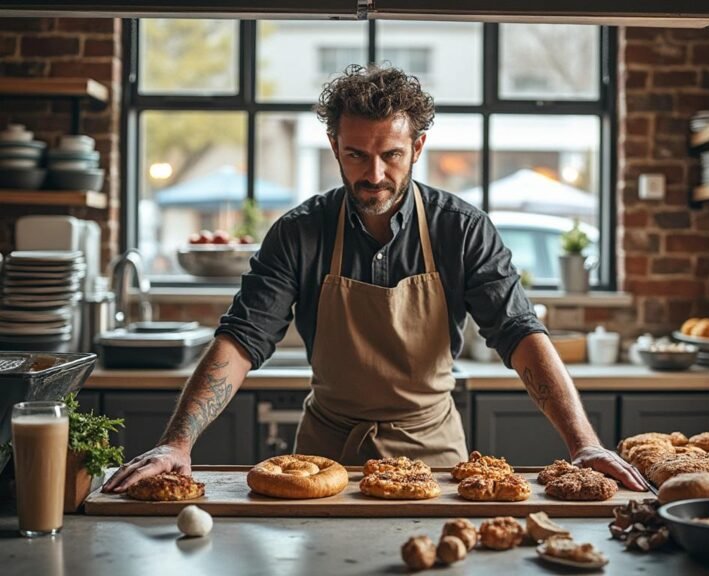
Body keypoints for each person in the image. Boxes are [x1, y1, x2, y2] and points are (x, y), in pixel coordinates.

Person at [104, 65, 645, 493]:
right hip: (322, 460)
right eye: (356, 155)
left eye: (391, 155)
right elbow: (243, 339)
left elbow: (520, 334)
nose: (374, 175)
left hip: (432, 457)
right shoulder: (299, 232)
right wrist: (177, 443)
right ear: (335, 146)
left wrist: (584, 445)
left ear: (418, 147)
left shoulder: (461, 229)